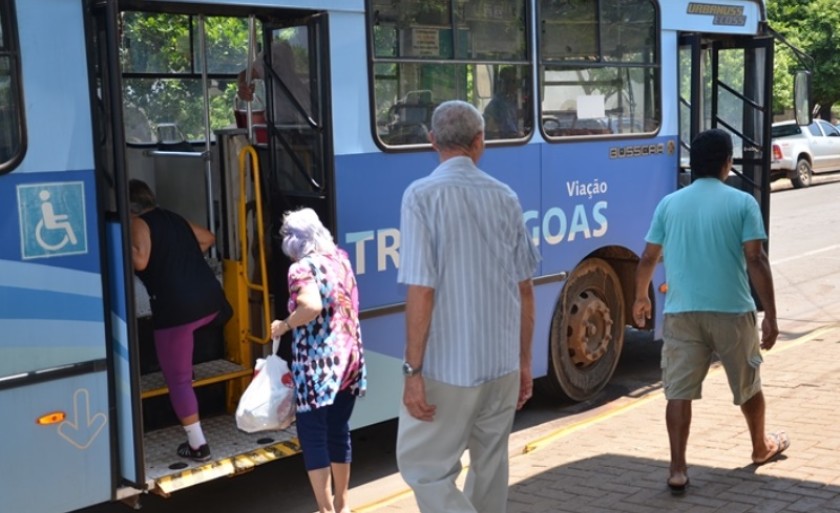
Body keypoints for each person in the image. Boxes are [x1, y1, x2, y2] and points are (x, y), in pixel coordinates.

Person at [396, 100, 540, 513]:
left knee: (425, 468)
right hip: (501, 364)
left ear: (431, 141)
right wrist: (525, 362)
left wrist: (413, 371)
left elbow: (422, 289)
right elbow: (525, 289)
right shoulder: (505, 196)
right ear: (480, 142)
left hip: (448, 368)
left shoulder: (421, 196)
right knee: (490, 468)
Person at [632, 128, 789, 495]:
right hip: (733, 311)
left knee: (678, 392)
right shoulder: (742, 203)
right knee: (748, 386)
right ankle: (759, 447)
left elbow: (648, 257)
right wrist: (772, 315)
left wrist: (641, 297)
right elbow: (756, 258)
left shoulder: (669, 204)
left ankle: (677, 469)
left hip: (682, 312)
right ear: (726, 163)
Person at [269, 207, 366, 513]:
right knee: (338, 428)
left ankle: (325, 511)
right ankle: (342, 504)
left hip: (319, 364)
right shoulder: (340, 260)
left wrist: (284, 325)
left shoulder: (301, 268)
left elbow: (310, 305)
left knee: (313, 435)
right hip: (350, 357)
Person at [129, 179, 231, 462]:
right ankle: (187, 369)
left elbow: (140, 261)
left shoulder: (136, 223)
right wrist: (178, 256)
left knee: (177, 381)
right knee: (181, 355)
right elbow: (208, 237)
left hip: (177, 310)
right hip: (210, 302)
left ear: (129, 207)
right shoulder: (173, 217)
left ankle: (198, 446)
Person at [237, 38, 311, 125]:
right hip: (281, 125)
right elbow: (247, 74)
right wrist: (244, 88)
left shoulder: (325, 45)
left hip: (315, 122)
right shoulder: (278, 50)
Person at [483, 67, 521, 139]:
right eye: (512, 81)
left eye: (515, 81)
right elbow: (490, 129)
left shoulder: (514, 102)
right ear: (504, 83)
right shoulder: (496, 104)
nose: (515, 85)